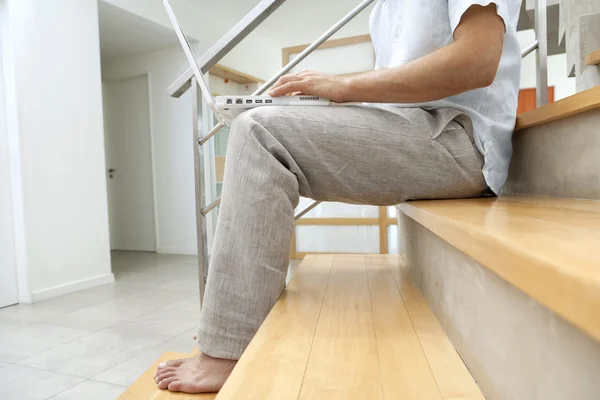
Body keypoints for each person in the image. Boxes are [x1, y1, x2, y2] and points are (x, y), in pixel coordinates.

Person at [154, 0, 520, 393]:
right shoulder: (383, 11)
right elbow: (399, 96)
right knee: (262, 124)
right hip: (417, 130)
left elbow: (479, 59)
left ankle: (227, 347)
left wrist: (345, 86)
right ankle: (233, 316)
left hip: (460, 139)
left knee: (260, 131)